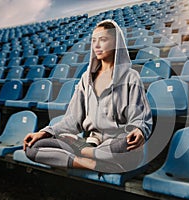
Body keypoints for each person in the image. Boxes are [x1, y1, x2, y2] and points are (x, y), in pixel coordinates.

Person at [23, 19, 153, 173]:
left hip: (115, 145)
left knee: (126, 144)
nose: (97, 45)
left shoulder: (131, 77)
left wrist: (138, 130)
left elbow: (139, 118)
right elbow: (72, 120)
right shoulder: (86, 78)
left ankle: (84, 151)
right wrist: (44, 132)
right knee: (33, 147)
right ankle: (92, 163)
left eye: (103, 40)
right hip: (92, 142)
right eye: (94, 41)